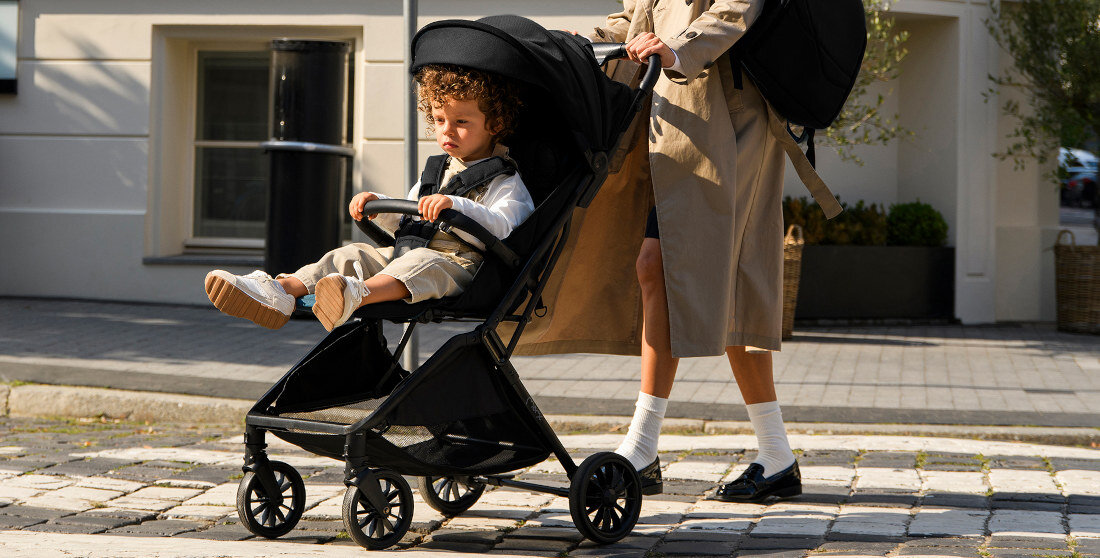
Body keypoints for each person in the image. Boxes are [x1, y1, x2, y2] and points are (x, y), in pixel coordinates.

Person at [588, 0, 802, 502]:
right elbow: (642, 18)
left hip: (731, 120)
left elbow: (731, 10)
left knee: (682, 267)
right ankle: (776, 454)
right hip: (675, 116)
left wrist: (675, 48)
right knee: (702, 276)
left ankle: (642, 447)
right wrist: (585, 41)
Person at [204, 64, 535, 333]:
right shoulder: (436, 172)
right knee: (351, 254)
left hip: (462, 265)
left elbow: (505, 229)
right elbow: (410, 223)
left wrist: (456, 206)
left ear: (495, 124)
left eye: (461, 122)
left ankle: (357, 293)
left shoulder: (506, 180)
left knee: (422, 264)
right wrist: (380, 207)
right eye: (439, 120)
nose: (447, 130)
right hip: (410, 250)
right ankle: (281, 291)